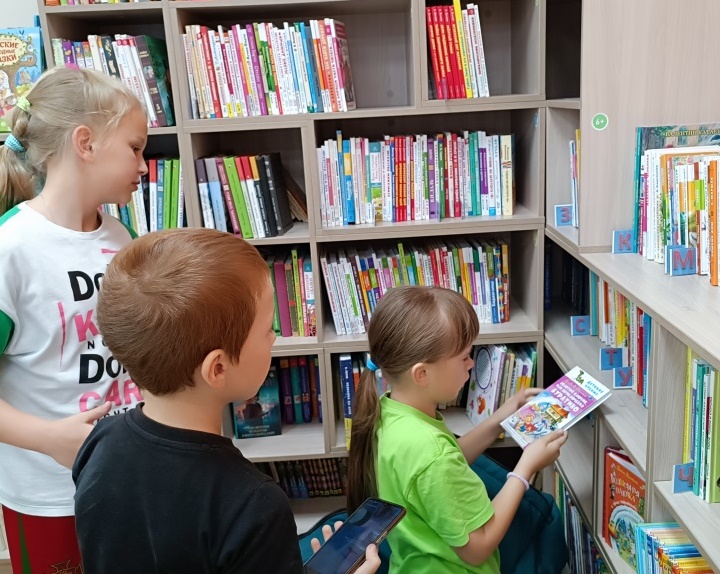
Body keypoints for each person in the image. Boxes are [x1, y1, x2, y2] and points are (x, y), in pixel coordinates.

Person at [73, 228, 380, 574]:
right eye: (267, 329)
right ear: (217, 368)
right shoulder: (253, 504)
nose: (274, 338)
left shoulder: (99, 440)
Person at [0, 66, 148, 574]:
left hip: (125, 477)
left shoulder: (121, 238)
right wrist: (48, 438)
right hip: (48, 496)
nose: (143, 166)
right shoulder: (11, 249)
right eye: (135, 148)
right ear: (85, 143)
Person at [347, 286, 568, 574]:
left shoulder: (391, 411)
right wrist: (526, 468)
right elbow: (479, 547)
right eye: (464, 357)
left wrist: (501, 417)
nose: (471, 363)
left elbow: (448, 459)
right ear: (422, 374)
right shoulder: (432, 454)